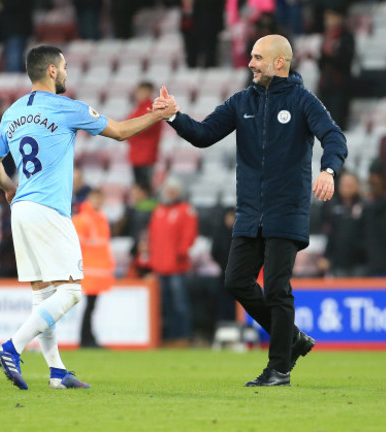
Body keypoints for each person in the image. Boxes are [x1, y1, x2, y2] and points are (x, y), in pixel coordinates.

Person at [155, 34, 348, 386]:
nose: (250, 63)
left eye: (257, 57)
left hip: (286, 211)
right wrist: (174, 117)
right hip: (249, 212)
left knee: (276, 289)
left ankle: (279, 369)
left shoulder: (304, 101)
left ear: (279, 62)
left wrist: (329, 170)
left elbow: (334, 137)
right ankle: (292, 337)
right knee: (236, 281)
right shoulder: (242, 101)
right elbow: (203, 134)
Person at [0, 45, 177, 390]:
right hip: (49, 210)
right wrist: (157, 116)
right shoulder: (66, 108)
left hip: (22, 210)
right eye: (65, 66)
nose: (67, 72)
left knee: (44, 295)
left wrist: (9, 189)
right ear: (53, 72)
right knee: (72, 291)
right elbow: (119, 131)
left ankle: (57, 373)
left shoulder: (11, 112)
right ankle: (11, 347)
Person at [148, 177, 198, 347]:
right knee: (165, 305)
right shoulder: (158, 211)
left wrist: (181, 253)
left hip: (177, 266)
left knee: (180, 304)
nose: (169, 194)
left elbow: (189, 235)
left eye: (172, 190)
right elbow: (152, 238)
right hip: (160, 266)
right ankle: (168, 337)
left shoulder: (186, 210)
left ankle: (183, 336)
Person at [72, 188, 115, 348]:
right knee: (89, 307)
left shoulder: (100, 219)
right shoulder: (83, 220)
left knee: (91, 306)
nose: (98, 202)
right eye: (95, 198)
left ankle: (88, 338)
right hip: (89, 270)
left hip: (98, 271)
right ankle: (86, 339)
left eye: (100, 198)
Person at [319, 173, 366, 277]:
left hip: (361, 262)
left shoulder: (365, 206)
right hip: (338, 262)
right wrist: (326, 256)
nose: (346, 188)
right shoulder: (332, 205)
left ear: (357, 186)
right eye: (344, 185)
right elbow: (330, 233)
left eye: (350, 185)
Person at [317, 7, 355, 130]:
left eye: (331, 17)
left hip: (340, 84)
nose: (328, 20)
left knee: (337, 119)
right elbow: (321, 62)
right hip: (325, 84)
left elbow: (346, 60)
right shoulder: (325, 37)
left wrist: (331, 56)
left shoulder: (346, 37)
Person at [126, 82, 162, 189]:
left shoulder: (152, 109)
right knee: (139, 186)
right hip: (136, 154)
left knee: (144, 187)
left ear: (148, 92)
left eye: (141, 91)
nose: (138, 94)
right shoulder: (138, 108)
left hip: (146, 155)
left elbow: (139, 128)